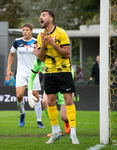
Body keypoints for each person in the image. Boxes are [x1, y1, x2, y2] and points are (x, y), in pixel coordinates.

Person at [37, 9, 79, 144]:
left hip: (64, 71)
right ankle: (55, 132)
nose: (40, 17)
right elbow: (41, 57)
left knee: (68, 101)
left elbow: (67, 53)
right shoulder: (40, 35)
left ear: (51, 19)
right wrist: (43, 44)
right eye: (40, 16)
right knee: (49, 102)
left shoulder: (61, 33)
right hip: (49, 72)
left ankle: (73, 133)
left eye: (43, 15)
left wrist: (53, 44)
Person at [28, 41, 71, 137]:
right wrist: (29, 92)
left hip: (63, 85)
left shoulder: (52, 57)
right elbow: (31, 77)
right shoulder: (37, 61)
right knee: (44, 102)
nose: (34, 50)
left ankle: (67, 121)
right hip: (51, 86)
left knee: (64, 116)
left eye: (36, 48)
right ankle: (57, 130)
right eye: (33, 48)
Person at [6, 23, 44, 128]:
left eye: (27, 30)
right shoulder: (17, 42)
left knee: (36, 95)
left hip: (34, 72)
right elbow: (11, 55)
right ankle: (22, 113)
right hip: (21, 73)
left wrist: (40, 67)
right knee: (19, 95)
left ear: (31, 31)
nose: (25, 32)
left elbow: (41, 55)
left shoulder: (36, 42)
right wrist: (8, 68)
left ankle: (39, 120)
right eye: (23, 30)